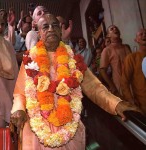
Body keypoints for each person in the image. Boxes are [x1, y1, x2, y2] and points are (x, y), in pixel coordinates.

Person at [10, 14, 140, 150]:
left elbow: (94, 88)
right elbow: (20, 93)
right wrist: (19, 109)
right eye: (45, 27)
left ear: (60, 31)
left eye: (55, 25)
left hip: (69, 128)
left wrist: (116, 104)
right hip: (37, 131)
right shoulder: (30, 59)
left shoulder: (74, 59)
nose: (50, 29)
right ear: (39, 33)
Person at [0, 15, 18, 137]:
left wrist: (15, 101)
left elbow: (14, 71)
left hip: (4, 101)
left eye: (2, 24)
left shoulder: (8, 45)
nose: (0, 27)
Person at [100, 25, 131, 97]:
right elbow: (102, 71)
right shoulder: (107, 50)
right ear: (108, 35)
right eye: (111, 29)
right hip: (119, 84)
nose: (115, 29)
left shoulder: (126, 47)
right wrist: (113, 87)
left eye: (116, 28)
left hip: (133, 81)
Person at [121, 28, 146, 115]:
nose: (144, 35)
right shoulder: (131, 58)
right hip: (143, 104)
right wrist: (131, 100)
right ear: (136, 40)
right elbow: (124, 82)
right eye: (141, 34)